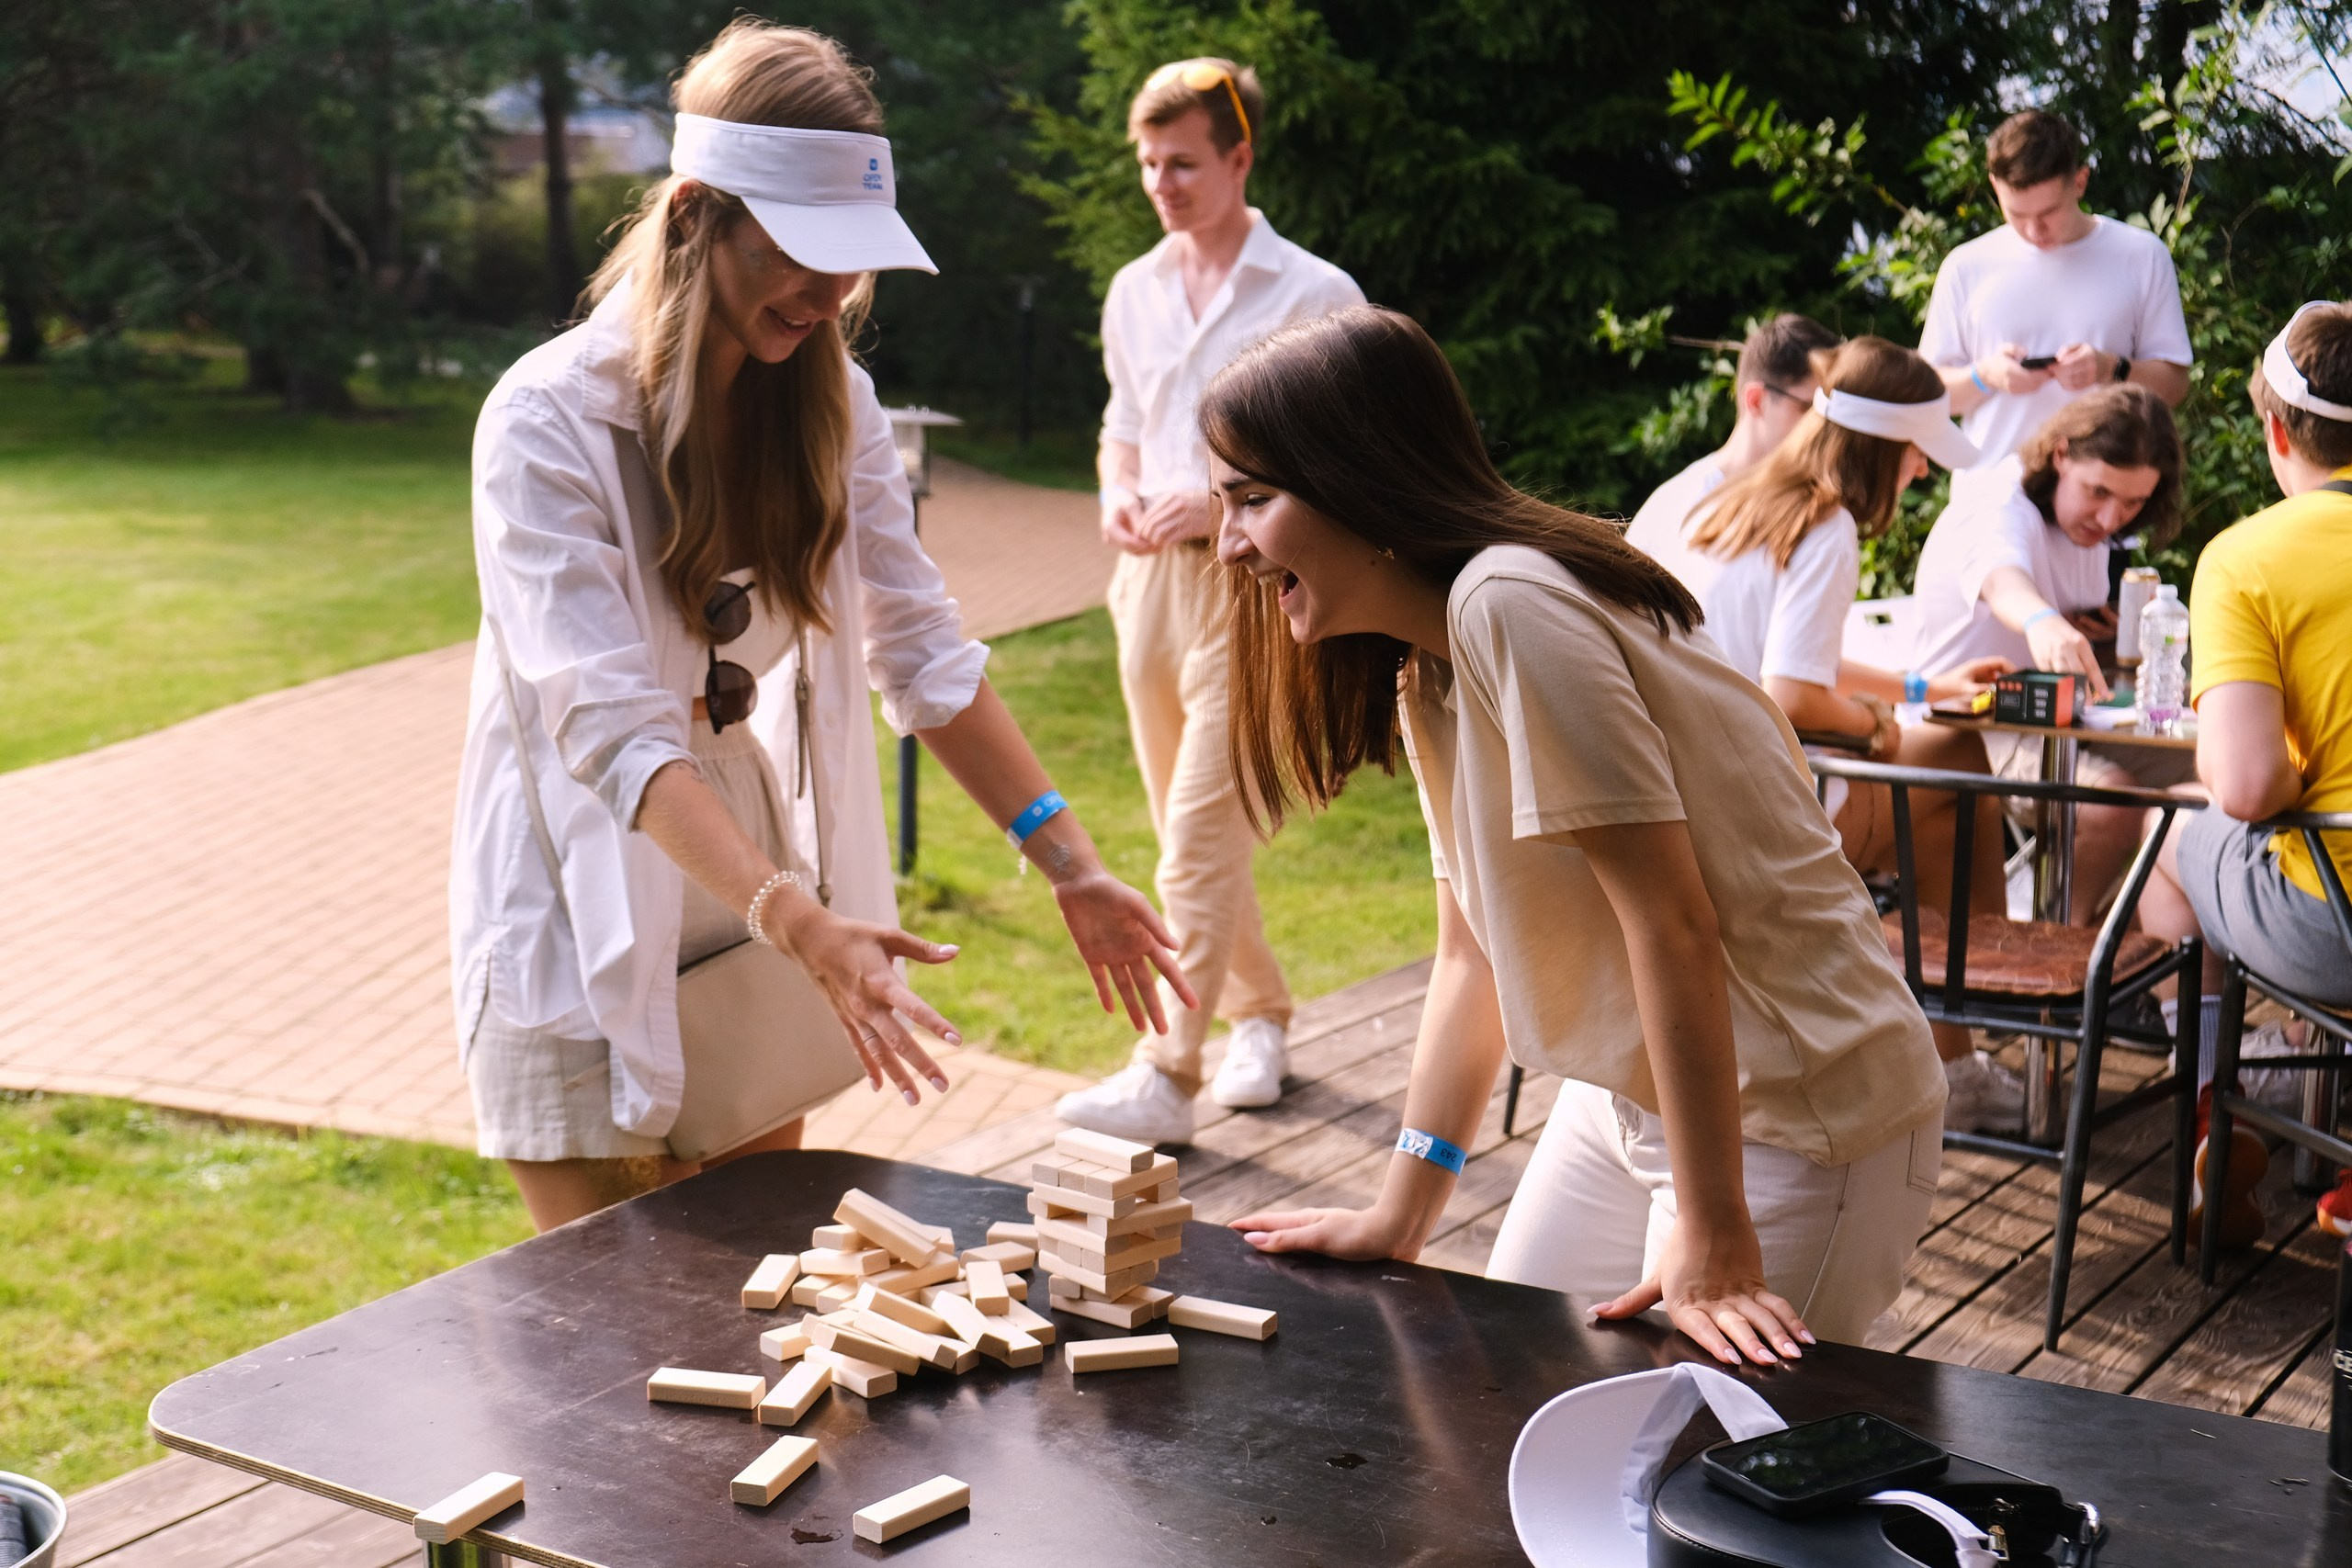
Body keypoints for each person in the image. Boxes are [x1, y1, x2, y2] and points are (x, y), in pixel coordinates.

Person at [452, 21, 1189, 1233]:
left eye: (855, 260)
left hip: (747, 864)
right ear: (697, 216)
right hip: (580, 878)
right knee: (624, 1330)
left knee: (754, 1289)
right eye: (805, 250)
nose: (835, 292)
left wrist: (1076, 864)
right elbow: (617, 735)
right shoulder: (543, 423)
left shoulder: (831, 399)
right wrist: (795, 915)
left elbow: (925, 653)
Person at [1211, 307, 1947, 1364]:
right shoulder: (1428, 669)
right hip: (1631, 1103)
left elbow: (1672, 924)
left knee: (1677, 1495)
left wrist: (1715, 1230)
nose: (1229, 543)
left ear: (1355, 478)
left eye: (1252, 501)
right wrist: (1401, 1211)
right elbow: (1470, 955)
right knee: (1499, 1413)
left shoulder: (1507, 603)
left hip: (1799, 1121)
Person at [1055, 58, 1365, 1144]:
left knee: (1195, 833)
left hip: (1255, 592)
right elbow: (1121, 421)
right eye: (1147, 163)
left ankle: (1164, 1075)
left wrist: (1211, 504)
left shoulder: (1318, 295)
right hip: (1143, 589)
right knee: (1186, 830)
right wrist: (1114, 492)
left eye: (1182, 162)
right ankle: (1263, 1016)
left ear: (1240, 156)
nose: (1161, 183)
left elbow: (1355, 462)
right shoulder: (1133, 288)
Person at [1638, 336, 2020, 1130]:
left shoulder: (1741, 495)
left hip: (1682, 792)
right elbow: (1792, 692)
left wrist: (1917, 688)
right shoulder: (1827, 523)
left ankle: (1948, 1044)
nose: (1921, 472)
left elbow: (1789, 653)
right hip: (1765, 811)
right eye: (1919, 453)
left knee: (1947, 771)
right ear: (1884, 446)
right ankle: (1973, 1022)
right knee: (1961, 765)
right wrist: (1877, 726)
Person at [2138, 300, 2352, 1237]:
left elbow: (2248, 787)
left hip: (2334, 929)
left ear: (2274, 430)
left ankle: (2214, 1098)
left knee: (2176, 834)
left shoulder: (2246, 559)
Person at [1909, 386, 2185, 921]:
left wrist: (2101, 634)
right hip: (1968, 725)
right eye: (2099, 491)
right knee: (2111, 802)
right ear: (2061, 454)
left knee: (2209, 770)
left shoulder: (2090, 530)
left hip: (2060, 721)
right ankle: (2059, 958)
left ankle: (2146, 958)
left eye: (2132, 503)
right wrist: (2041, 621)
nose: (2110, 519)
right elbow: (2003, 580)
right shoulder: (1996, 503)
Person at [1920, 108, 2191, 465]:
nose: (2034, 231)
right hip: (1992, 498)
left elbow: (2174, 386)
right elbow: (1925, 396)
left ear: (2079, 182)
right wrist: (1984, 376)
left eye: (2049, 213)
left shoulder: (2141, 256)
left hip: (2106, 497)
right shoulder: (1965, 266)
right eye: (2016, 214)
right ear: (1994, 187)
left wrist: (2110, 368)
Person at [1623, 311, 1841, 556]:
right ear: (1757, 400)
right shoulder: (1669, 511)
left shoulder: (1822, 517)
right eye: (1809, 407)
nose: (1823, 425)